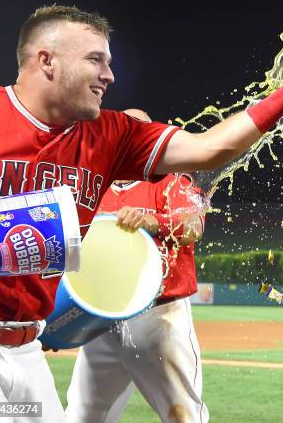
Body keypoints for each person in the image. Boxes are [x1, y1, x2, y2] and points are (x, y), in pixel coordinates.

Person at [0, 5, 283, 422]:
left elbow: (209, 148)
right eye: (95, 60)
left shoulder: (110, 135)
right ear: (46, 60)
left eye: (109, 62)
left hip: (28, 353)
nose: (109, 75)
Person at [64, 109, 208, 423]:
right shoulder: (95, 184)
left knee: (183, 415)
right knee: (82, 414)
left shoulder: (171, 180)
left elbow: (194, 224)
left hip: (157, 316)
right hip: (102, 318)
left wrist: (153, 221)